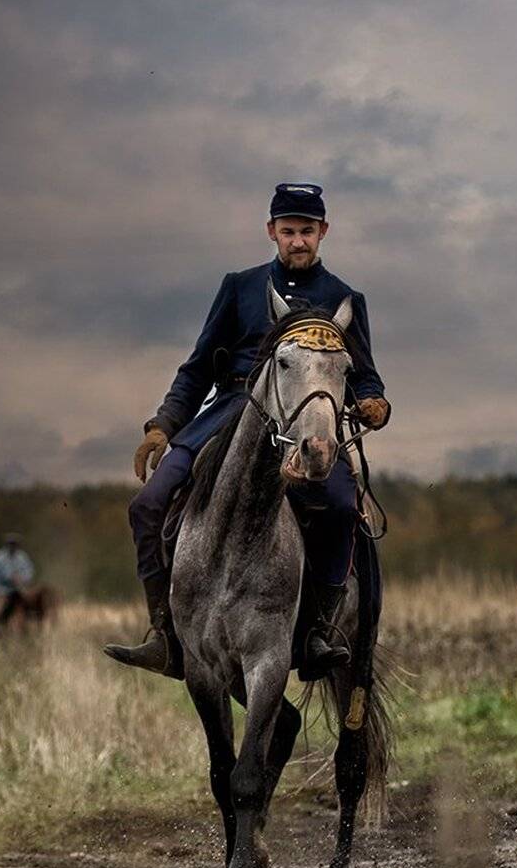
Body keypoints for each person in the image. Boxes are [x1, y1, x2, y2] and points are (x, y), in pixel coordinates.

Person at [105, 183, 390, 679]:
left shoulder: (346, 298)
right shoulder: (238, 287)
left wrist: (374, 401)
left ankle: (319, 631)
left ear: (322, 232)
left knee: (343, 506)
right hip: (230, 411)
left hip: (308, 420)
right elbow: (197, 367)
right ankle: (163, 633)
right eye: (288, 232)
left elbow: (364, 375)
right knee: (148, 504)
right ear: (271, 233)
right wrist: (162, 425)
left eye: (306, 231)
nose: (297, 241)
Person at [0, 533, 35, 626]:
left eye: (14, 544)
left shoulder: (22, 557)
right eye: (10, 544)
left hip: (16, 589)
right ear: (6, 545)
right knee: (1, 608)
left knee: (30, 602)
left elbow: (29, 570)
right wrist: (19, 580)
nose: (13, 547)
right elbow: (7, 575)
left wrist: (26, 579)